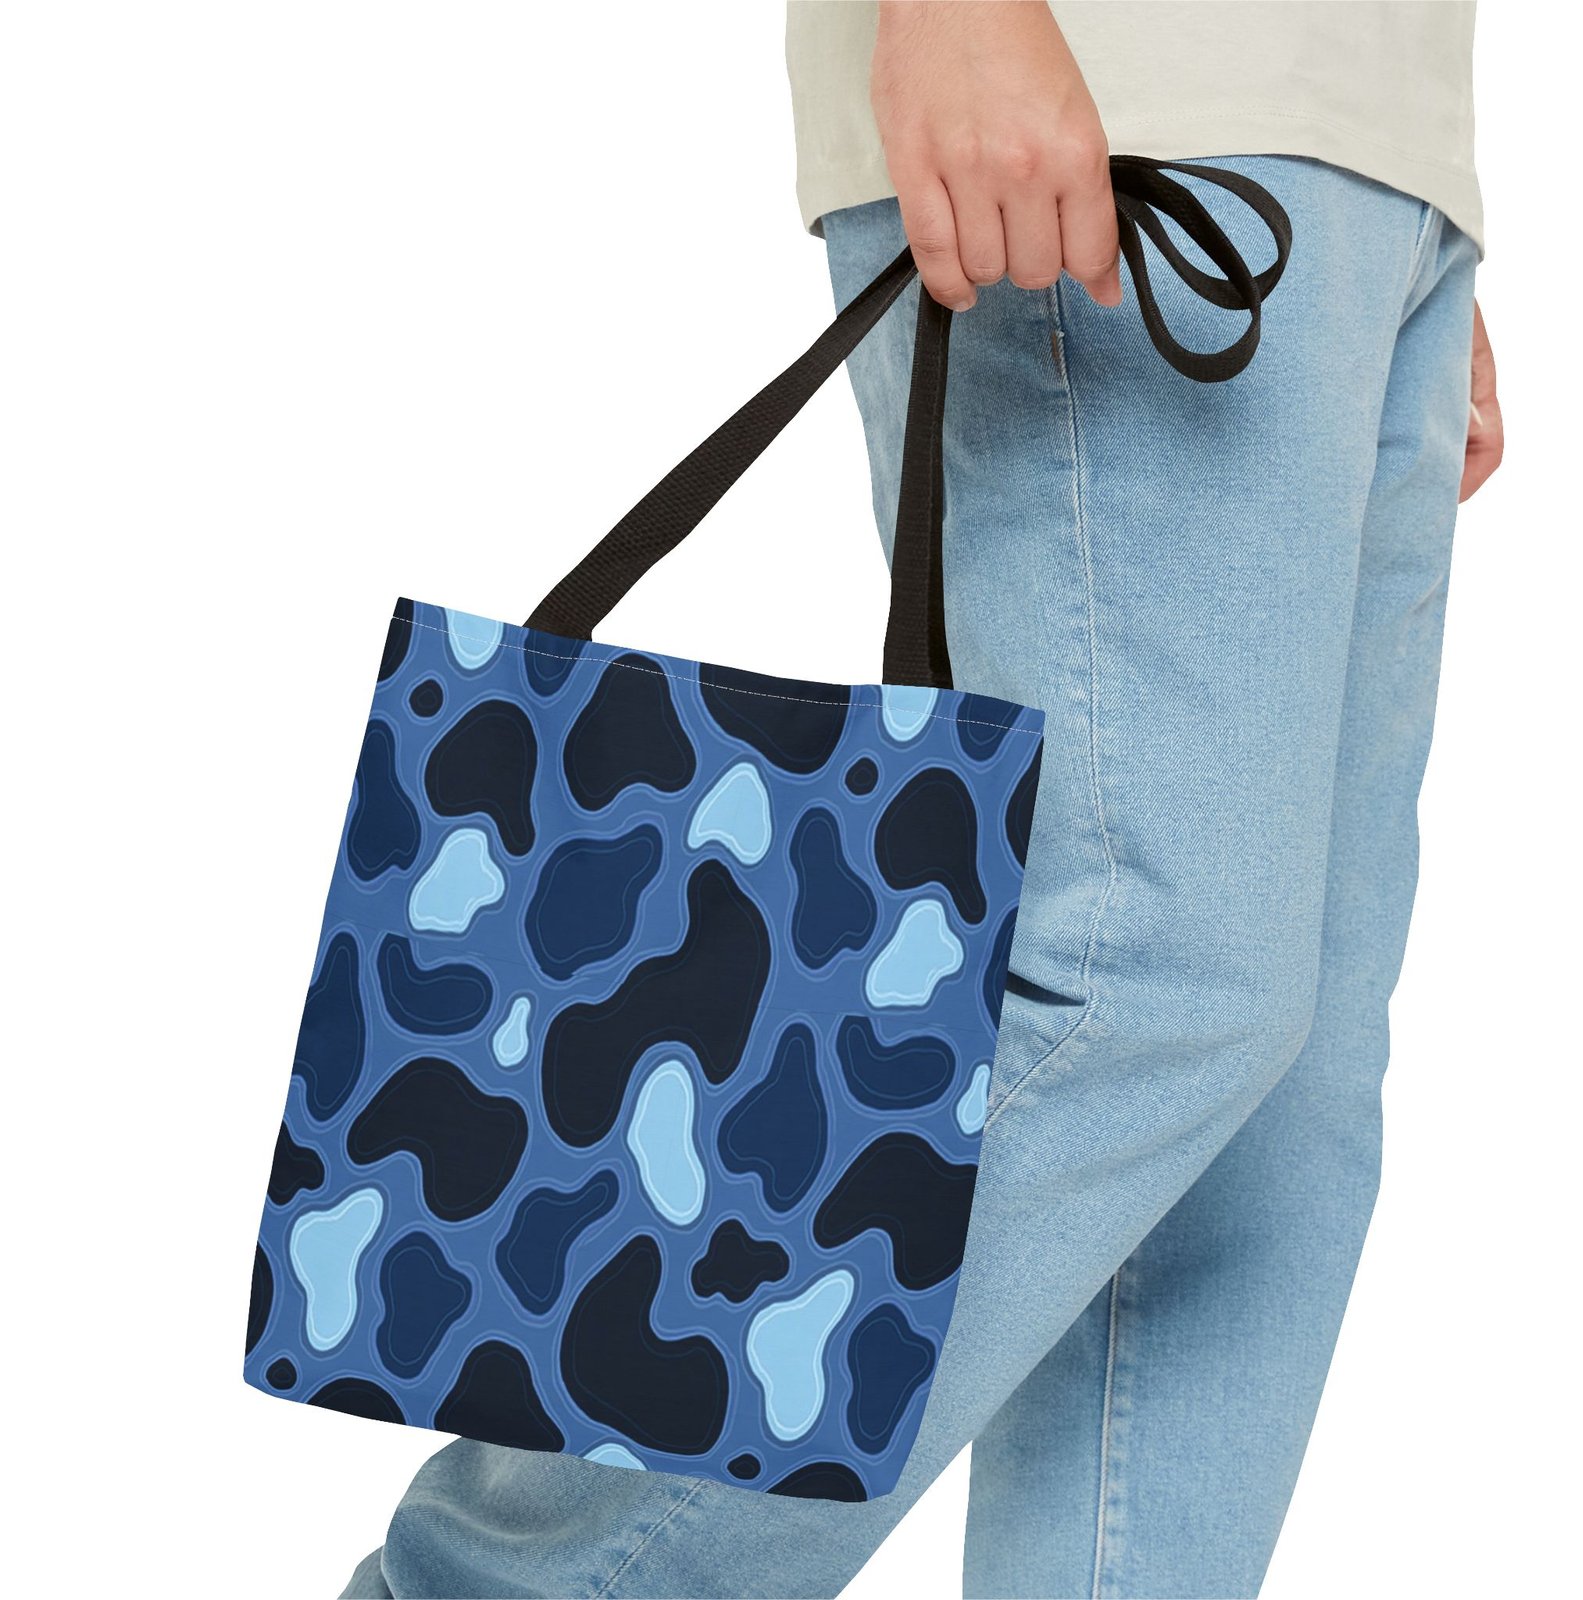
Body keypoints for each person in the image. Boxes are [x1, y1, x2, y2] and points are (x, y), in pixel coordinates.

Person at [342, 3, 1502, 1595]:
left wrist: (1406, 194)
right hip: (1130, 94)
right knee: (1141, 981)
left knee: (1268, 1132)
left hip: (1361, 157)